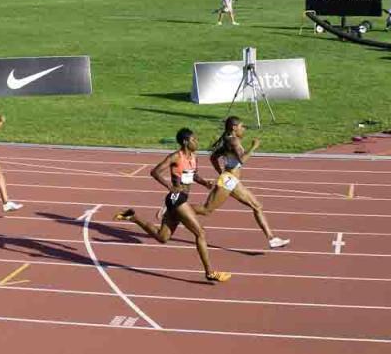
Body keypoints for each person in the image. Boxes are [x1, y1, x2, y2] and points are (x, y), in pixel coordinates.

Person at [112, 128, 232, 283]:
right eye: (194, 139)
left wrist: (204, 183)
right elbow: (155, 172)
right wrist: (170, 187)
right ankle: (209, 272)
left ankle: (133, 217)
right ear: (185, 142)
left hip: (179, 199)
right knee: (200, 233)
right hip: (176, 198)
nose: (197, 142)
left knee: (162, 237)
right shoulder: (176, 156)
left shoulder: (194, 157)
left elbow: (193, 175)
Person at [193, 116, 290, 249]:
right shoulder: (233, 141)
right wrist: (253, 147)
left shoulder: (229, 140)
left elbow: (213, 157)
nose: (244, 129)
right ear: (234, 128)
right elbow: (242, 160)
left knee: (256, 206)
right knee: (206, 210)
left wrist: (221, 172)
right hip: (229, 180)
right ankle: (175, 208)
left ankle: (272, 238)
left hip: (230, 179)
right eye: (242, 126)